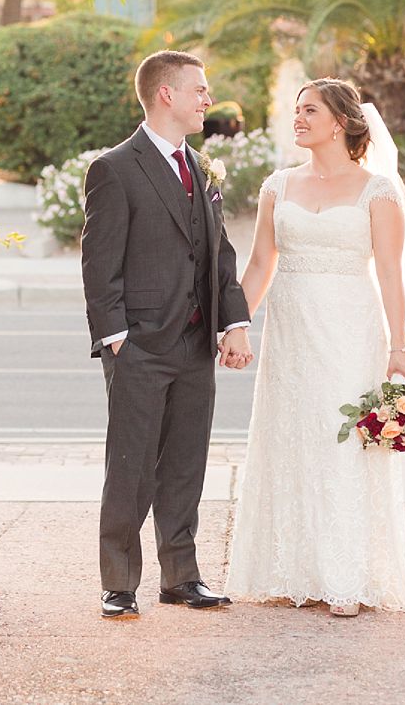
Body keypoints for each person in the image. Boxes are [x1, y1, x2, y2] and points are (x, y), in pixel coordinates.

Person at [225, 78, 405, 617]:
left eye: (308, 110)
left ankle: (346, 576)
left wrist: (399, 347)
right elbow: (261, 264)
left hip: (350, 331)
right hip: (290, 332)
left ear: (339, 121)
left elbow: (390, 274)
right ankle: (292, 569)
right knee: (290, 436)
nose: (298, 118)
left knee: (341, 443)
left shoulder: (377, 191)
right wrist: (233, 325)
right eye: (296, 110)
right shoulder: (277, 186)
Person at [81, 49, 254, 620]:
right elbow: (98, 264)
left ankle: (181, 577)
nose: (208, 100)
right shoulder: (115, 168)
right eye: (200, 90)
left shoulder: (201, 167)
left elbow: (219, 255)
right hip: (140, 346)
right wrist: (116, 339)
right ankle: (119, 583)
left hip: (196, 342)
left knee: (186, 463)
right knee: (130, 466)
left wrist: (233, 322)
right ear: (166, 95)